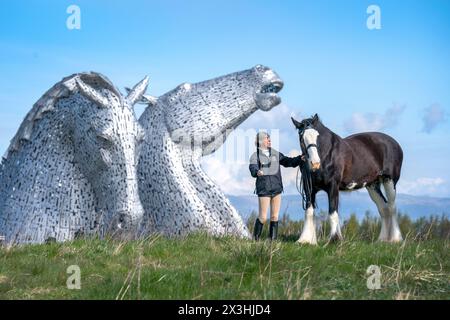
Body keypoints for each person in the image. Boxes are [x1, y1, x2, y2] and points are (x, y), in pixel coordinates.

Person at [249, 131, 304, 240]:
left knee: (274, 216)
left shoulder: (275, 153)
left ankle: (272, 242)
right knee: (263, 217)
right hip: (264, 189)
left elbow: (287, 161)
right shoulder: (255, 156)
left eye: (269, 138)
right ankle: (255, 240)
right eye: (266, 138)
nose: (269, 140)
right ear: (260, 141)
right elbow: (252, 167)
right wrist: (257, 172)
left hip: (277, 189)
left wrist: (299, 159)